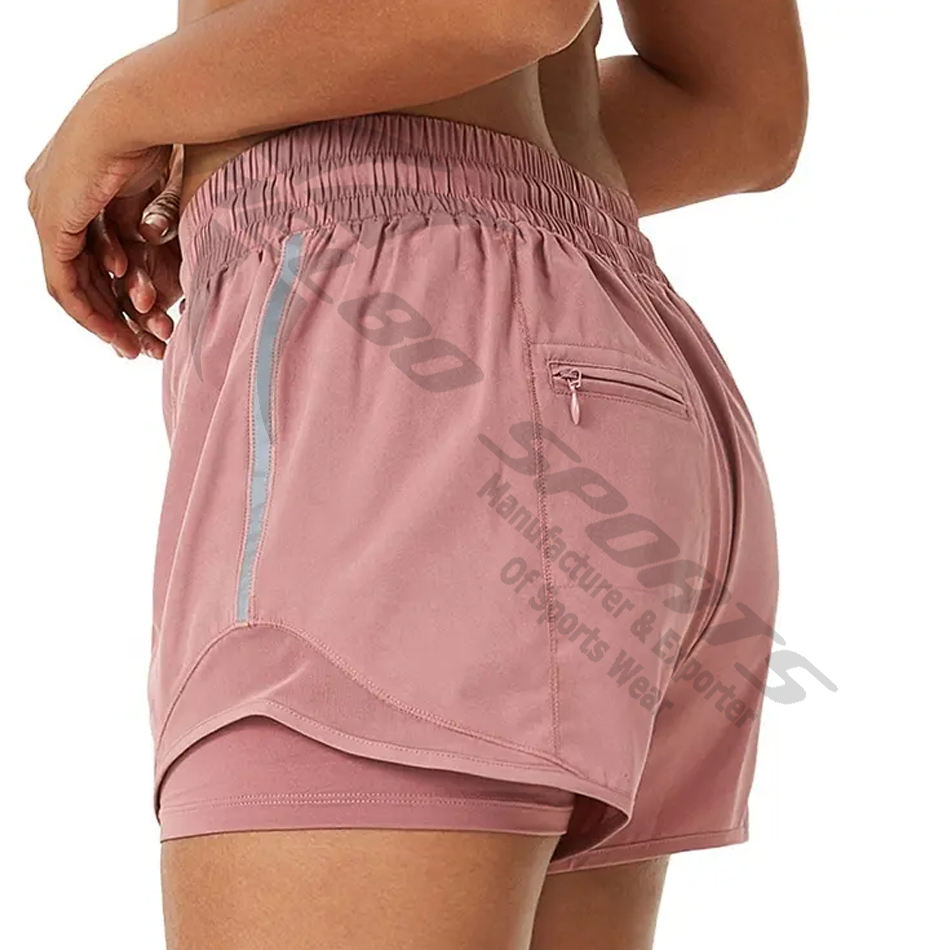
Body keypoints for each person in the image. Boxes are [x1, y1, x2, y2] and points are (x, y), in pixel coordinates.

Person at [24, 1, 807, 947]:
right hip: (610, 364)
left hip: (396, 371)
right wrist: (232, 112)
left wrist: (122, 109)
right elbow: (740, 109)